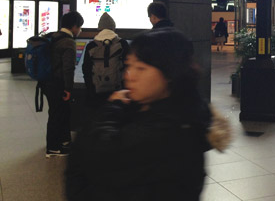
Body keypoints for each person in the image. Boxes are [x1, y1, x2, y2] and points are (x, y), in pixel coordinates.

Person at [66, 29, 213, 200]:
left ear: (170, 73)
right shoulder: (173, 112)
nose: (129, 76)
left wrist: (112, 109)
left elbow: (94, 153)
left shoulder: (168, 131)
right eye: (129, 66)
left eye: (141, 68)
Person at [41, 11, 84, 157]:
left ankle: (63, 141)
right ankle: (53, 147)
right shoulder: (68, 42)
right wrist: (68, 89)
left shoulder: (53, 37)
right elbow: (68, 68)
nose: (79, 30)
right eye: (79, 27)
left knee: (59, 112)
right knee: (56, 114)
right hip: (58, 84)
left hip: (47, 82)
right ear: (74, 26)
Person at [82, 13, 130, 108]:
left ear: (99, 29)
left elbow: (86, 69)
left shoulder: (91, 46)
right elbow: (129, 67)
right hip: (118, 91)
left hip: (96, 92)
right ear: (113, 28)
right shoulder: (122, 43)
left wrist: (90, 90)